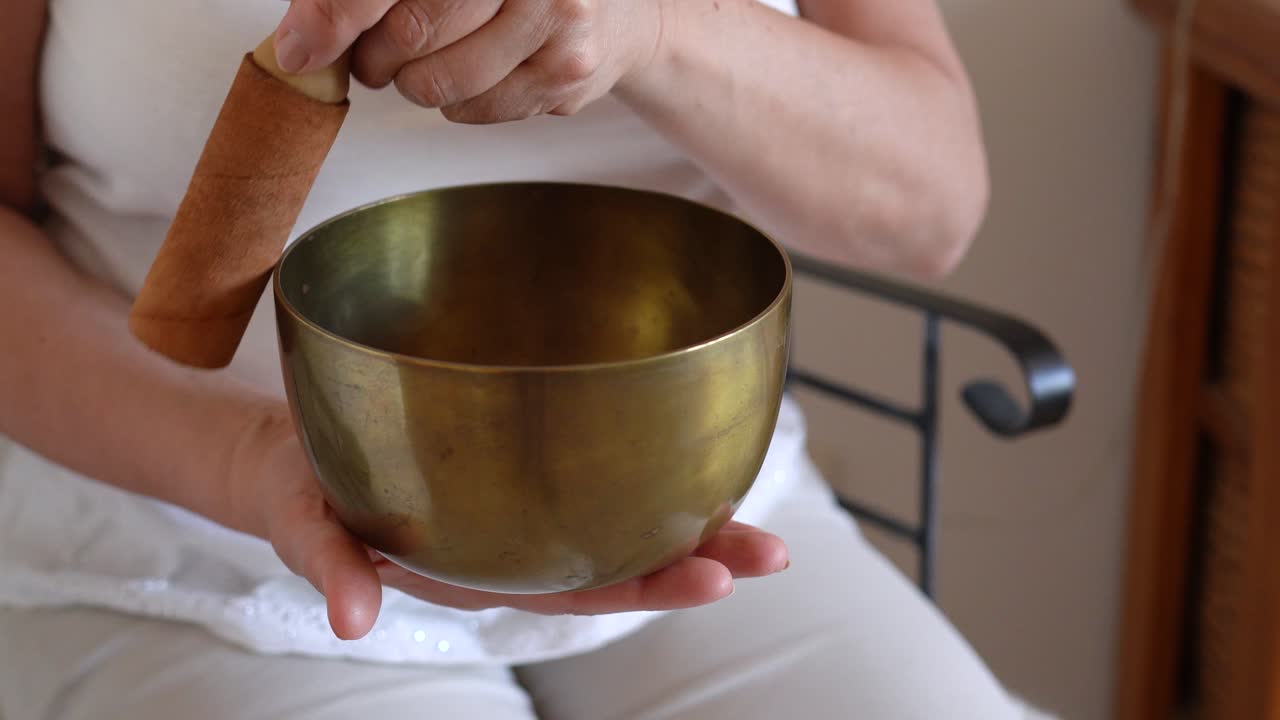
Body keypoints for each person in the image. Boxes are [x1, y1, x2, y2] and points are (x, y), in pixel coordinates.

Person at [0, 0, 1044, 717]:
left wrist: (654, 31)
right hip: (185, 535)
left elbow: (929, 206)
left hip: (689, 510)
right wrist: (241, 463)